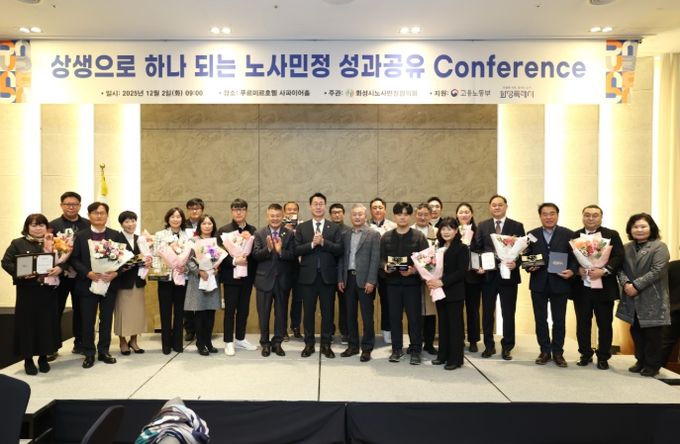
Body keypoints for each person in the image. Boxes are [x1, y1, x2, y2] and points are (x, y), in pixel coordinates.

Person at [2, 214, 61, 375]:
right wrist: (20, 273)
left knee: (46, 325)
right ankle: (28, 359)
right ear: (27, 227)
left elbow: (64, 262)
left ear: (46, 227)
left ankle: (43, 357)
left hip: (47, 291)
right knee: (27, 325)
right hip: (27, 292)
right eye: (34, 225)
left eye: (41, 225)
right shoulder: (18, 243)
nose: (38, 228)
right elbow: (6, 262)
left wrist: (60, 268)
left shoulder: (54, 243)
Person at [616, 213, 671, 377]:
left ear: (651, 228)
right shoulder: (626, 247)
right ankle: (640, 360)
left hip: (652, 296)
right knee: (636, 331)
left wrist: (636, 286)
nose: (639, 230)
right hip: (631, 296)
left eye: (643, 226)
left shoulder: (659, 247)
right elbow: (619, 269)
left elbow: (658, 270)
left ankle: (652, 365)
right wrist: (626, 284)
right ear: (630, 229)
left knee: (653, 333)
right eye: (635, 227)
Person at [571, 205, 624, 370]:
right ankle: (585, 354)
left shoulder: (612, 235)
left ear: (601, 217)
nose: (591, 218)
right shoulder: (574, 235)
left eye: (595, 215)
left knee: (605, 324)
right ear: (582, 217)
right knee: (582, 323)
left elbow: (619, 256)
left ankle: (603, 357)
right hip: (582, 288)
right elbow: (569, 258)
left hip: (604, 288)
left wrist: (604, 270)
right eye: (587, 215)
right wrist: (577, 270)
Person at [525, 203, 577, 368]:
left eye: (552, 213)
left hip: (560, 283)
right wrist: (528, 266)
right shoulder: (531, 235)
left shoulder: (569, 234)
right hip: (538, 283)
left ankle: (558, 352)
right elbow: (524, 255)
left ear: (557, 215)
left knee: (559, 320)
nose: (548, 217)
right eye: (545, 214)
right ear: (540, 216)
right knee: (540, 319)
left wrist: (572, 271)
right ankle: (545, 351)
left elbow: (576, 257)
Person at [69, 202, 120, 368]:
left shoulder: (115, 235)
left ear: (107, 215)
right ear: (89, 215)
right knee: (87, 320)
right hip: (87, 284)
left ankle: (104, 351)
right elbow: (74, 259)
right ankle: (89, 353)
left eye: (102, 213)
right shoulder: (80, 236)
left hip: (108, 284)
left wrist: (115, 273)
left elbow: (123, 258)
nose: (99, 216)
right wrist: (88, 273)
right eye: (95, 213)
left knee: (106, 319)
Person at [474, 194, 525, 360]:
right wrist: (482, 263)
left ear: (506, 206)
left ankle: (507, 346)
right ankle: (489, 346)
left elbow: (523, 250)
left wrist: (516, 263)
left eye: (500, 205)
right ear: (490, 207)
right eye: (494, 205)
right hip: (488, 276)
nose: (497, 207)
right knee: (487, 312)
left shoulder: (517, 226)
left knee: (508, 312)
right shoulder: (482, 225)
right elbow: (477, 248)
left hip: (509, 276)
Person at [294, 192, 343, 358]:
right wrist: (312, 244)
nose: (318, 206)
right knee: (308, 313)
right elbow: (296, 250)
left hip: (328, 278)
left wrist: (323, 242)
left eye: (321, 203)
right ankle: (309, 344)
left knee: (327, 313)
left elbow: (339, 250)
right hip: (307, 277)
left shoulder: (334, 227)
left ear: (325, 206)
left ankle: (326, 344)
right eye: (315, 204)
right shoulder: (302, 227)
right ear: (310, 206)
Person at [380, 202, 429, 365]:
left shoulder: (418, 236)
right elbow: (380, 258)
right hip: (392, 284)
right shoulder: (386, 237)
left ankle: (415, 350)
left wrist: (414, 271)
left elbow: (427, 261)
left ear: (410, 216)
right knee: (394, 318)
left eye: (406, 214)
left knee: (414, 319)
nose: (402, 217)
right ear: (394, 216)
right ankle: (396, 349)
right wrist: (385, 266)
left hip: (412, 285)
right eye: (399, 214)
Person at [48, 191, 91, 359]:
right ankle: (52, 346)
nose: (71, 207)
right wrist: (62, 266)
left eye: (74, 204)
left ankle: (80, 343)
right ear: (61, 205)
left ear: (80, 206)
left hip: (81, 275)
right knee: (55, 309)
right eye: (67, 204)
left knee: (81, 310)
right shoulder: (52, 225)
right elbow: (47, 250)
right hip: (59, 275)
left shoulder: (88, 224)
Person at [337, 204, 381, 362]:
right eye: (354, 214)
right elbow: (342, 258)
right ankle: (353, 346)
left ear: (365, 216)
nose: (357, 217)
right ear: (350, 216)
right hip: (348, 279)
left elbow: (375, 259)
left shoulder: (373, 234)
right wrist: (340, 278)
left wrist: (371, 280)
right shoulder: (345, 234)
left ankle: (367, 348)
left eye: (360, 214)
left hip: (365, 280)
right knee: (350, 315)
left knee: (367, 316)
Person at [252, 203, 296, 357]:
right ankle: (265, 343)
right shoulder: (259, 233)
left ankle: (277, 343)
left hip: (282, 281)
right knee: (263, 314)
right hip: (264, 281)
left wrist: (280, 251)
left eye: (278, 216)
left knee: (281, 314)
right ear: (267, 216)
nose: (275, 219)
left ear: (282, 216)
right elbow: (255, 255)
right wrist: (269, 249)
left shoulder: (289, 234)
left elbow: (293, 255)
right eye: (272, 216)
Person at [427, 217, 469, 370]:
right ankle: (442, 355)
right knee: (443, 325)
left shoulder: (462, 248)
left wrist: (442, 282)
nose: (446, 232)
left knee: (455, 326)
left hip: (454, 292)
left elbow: (462, 272)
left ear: (456, 231)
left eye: (449, 229)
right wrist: (430, 279)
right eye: (443, 229)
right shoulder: (438, 247)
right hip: (439, 293)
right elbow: (431, 268)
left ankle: (455, 359)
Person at [217, 198, 258, 356]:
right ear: (232, 211)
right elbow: (218, 254)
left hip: (247, 276)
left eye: (241, 209)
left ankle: (240, 338)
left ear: (246, 211)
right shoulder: (223, 230)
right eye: (235, 209)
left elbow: (256, 254)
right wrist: (234, 261)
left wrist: (249, 242)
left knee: (244, 309)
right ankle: (228, 341)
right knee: (230, 310)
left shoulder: (253, 230)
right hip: (230, 277)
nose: (239, 212)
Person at [154, 207, 190, 355]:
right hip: (166, 278)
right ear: (168, 219)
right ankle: (166, 345)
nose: (176, 219)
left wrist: (185, 268)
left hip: (182, 277)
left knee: (180, 312)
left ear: (182, 219)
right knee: (165, 311)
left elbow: (191, 257)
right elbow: (156, 255)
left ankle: (178, 343)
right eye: (173, 217)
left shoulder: (188, 236)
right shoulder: (160, 235)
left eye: (178, 217)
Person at [114, 211, 151, 356]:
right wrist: (136, 261)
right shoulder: (116, 239)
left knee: (137, 313)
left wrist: (148, 261)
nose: (131, 224)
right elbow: (115, 263)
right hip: (123, 282)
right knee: (122, 313)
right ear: (121, 224)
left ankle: (134, 341)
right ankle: (123, 341)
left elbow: (147, 257)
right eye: (127, 221)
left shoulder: (140, 239)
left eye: (133, 221)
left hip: (138, 281)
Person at [184, 214, 221, 356]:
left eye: (210, 223)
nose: (207, 226)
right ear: (199, 226)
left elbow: (218, 258)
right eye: (204, 223)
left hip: (212, 279)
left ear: (213, 226)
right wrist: (199, 271)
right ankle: (200, 343)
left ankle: (208, 342)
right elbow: (188, 260)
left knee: (210, 312)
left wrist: (216, 269)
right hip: (198, 280)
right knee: (200, 313)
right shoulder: (193, 241)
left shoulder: (216, 241)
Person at [368, 197, 397, 344]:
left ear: (385, 209)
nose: (377, 210)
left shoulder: (393, 226)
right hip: (369, 271)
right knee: (368, 304)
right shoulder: (365, 225)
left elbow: (397, 250)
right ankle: (369, 334)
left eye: (380, 207)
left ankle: (387, 331)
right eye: (374, 208)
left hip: (387, 271)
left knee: (387, 302)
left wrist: (390, 265)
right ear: (370, 210)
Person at [411, 202, 438, 355]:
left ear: (431, 216)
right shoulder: (409, 231)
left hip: (431, 278)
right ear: (415, 215)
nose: (422, 217)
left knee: (430, 312)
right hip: (413, 277)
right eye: (419, 214)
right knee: (414, 312)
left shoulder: (437, 232)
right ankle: (415, 343)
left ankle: (429, 343)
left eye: (425, 215)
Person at [456, 202, 482, 352]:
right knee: (457, 310)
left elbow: (482, 250)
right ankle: (459, 339)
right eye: (461, 212)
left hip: (473, 277)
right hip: (457, 278)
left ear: (471, 214)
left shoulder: (478, 231)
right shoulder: (453, 231)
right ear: (457, 215)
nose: (464, 214)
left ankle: (473, 340)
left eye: (467, 212)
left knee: (473, 310)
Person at [183, 197, 205, 342]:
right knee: (187, 301)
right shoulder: (182, 225)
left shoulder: (206, 223)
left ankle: (201, 329)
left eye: (197, 208)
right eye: (191, 208)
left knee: (202, 300)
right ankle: (189, 329)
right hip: (185, 269)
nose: (194, 211)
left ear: (202, 210)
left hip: (203, 269)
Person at [329, 202, 350, 343]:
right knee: (328, 304)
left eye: (339, 212)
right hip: (328, 272)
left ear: (343, 214)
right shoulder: (326, 230)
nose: (337, 215)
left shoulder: (349, 231)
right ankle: (329, 332)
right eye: (334, 213)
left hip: (344, 273)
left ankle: (345, 332)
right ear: (330, 215)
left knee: (345, 305)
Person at [283, 200, 303, 339]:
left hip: (299, 269)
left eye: (294, 209)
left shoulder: (303, 227)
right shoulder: (279, 227)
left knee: (298, 300)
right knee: (283, 300)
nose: (291, 211)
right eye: (289, 209)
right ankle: (282, 329)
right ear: (284, 212)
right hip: (283, 269)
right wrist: (287, 231)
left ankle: (295, 327)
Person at [660, 260, 680, 369]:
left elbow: (661, 288)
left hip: (673, 310)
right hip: (672, 311)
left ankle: (656, 370)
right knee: (665, 344)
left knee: (665, 344)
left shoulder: (672, 266)